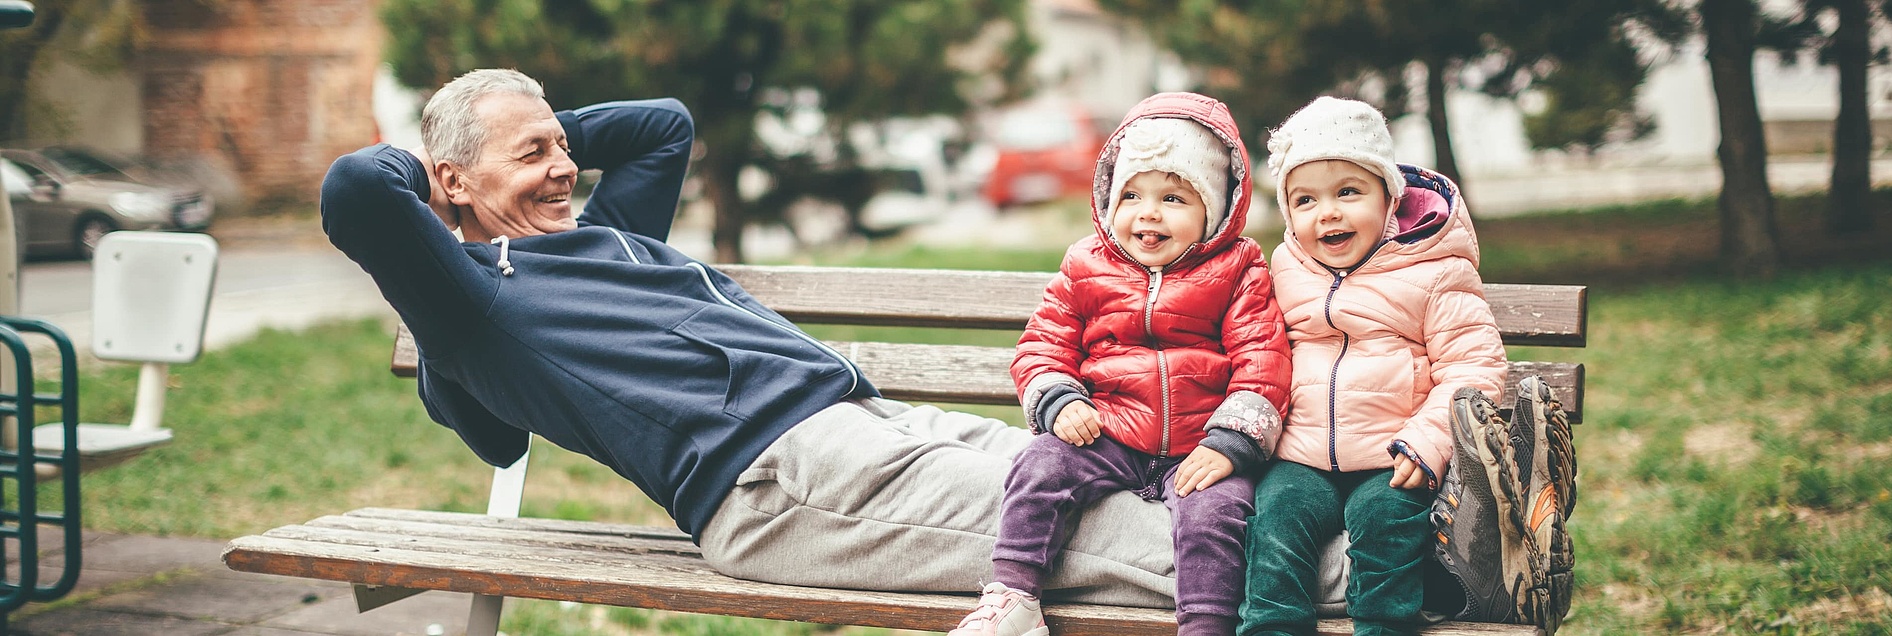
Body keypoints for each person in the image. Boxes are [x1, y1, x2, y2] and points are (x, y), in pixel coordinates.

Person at [318, 68, 1184, 608]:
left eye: (563, 146)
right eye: (533, 153)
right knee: (1116, 531)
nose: (564, 168)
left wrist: (531, 131)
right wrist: (439, 178)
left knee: (1127, 466)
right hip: (779, 476)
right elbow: (359, 187)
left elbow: (663, 126)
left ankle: (1306, 526)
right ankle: (1315, 576)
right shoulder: (473, 302)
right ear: (452, 181)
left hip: (873, 425)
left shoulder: (604, 234)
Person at [947, 92, 1289, 636]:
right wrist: (1059, 398)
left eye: (1174, 198)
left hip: (1200, 444)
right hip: (1108, 429)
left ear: (1216, 210)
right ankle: (1013, 596)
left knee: (1217, 515)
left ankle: (1206, 625)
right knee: (1040, 465)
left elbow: (1262, 362)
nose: (1148, 212)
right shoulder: (1086, 265)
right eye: (1132, 195)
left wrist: (1231, 444)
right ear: (1109, 199)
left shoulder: (1239, 270)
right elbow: (1043, 344)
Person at [1238, 96, 1509, 636]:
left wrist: (1430, 442)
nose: (1328, 212)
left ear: (1390, 198)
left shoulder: (1434, 269)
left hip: (1396, 454)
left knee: (1385, 522)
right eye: (1306, 200)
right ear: (1289, 214)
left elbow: (1473, 367)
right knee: (1275, 522)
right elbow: (1262, 351)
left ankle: (1383, 627)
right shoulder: (1288, 268)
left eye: (1348, 192)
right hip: (1302, 455)